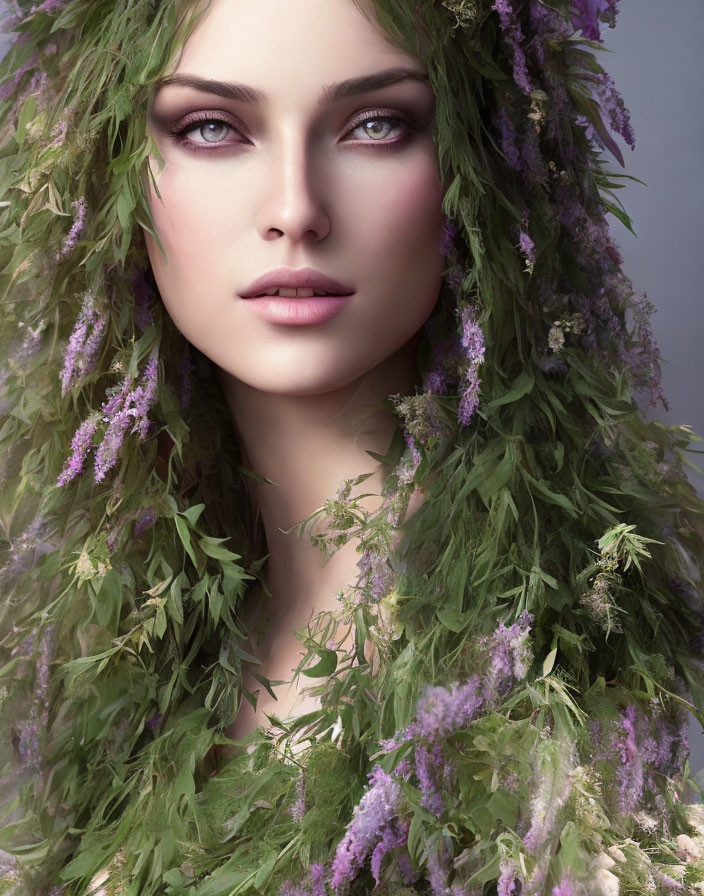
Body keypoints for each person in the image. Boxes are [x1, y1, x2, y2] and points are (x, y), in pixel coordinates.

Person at [0, 0, 703, 894]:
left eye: (377, 124)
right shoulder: (119, 641)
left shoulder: (542, 687)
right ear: (111, 183)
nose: (296, 209)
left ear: (481, 168)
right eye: (211, 127)